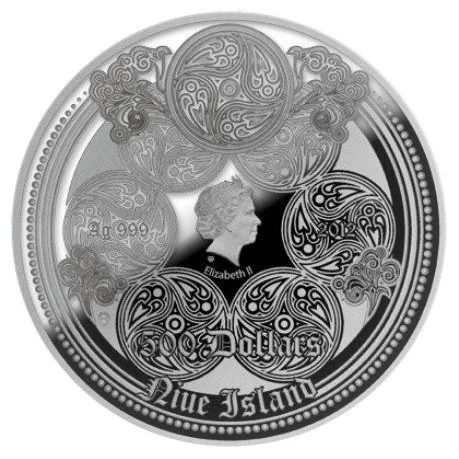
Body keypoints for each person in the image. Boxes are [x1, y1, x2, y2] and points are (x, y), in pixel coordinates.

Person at [195, 176, 261, 267]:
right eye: (249, 213)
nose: (258, 221)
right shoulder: (218, 265)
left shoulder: (225, 263)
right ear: (226, 220)